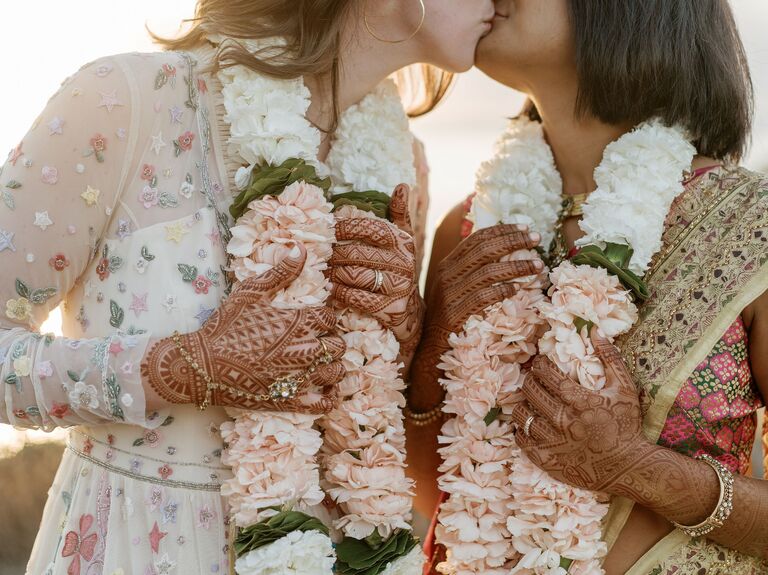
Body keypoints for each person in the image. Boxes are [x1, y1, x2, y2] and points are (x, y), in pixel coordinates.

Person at [0, 1, 528, 573]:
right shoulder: (129, 99)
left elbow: (362, 426)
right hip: (131, 545)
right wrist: (180, 367)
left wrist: (405, 330)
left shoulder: (402, 167)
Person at [409, 0, 768, 573]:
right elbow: (434, 500)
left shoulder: (751, 225)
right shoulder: (472, 227)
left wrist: (630, 465)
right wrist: (430, 361)